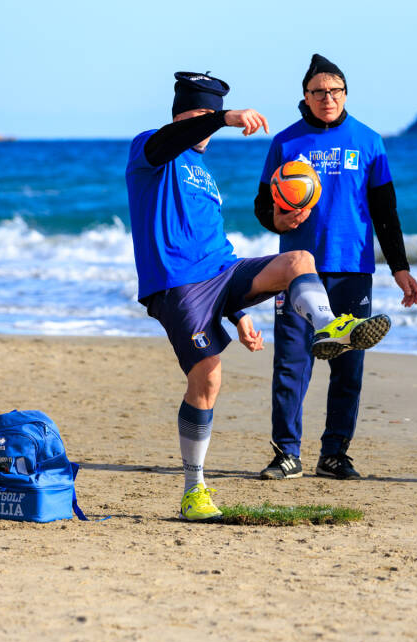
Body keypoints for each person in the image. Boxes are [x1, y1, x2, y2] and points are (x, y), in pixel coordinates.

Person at [125, 71, 392, 520]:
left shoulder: (203, 173)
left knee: (298, 260)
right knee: (207, 379)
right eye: (201, 117)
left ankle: (330, 327)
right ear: (183, 117)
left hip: (221, 275)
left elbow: (216, 248)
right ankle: (194, 489)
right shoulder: (151, 149)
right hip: (177, 286)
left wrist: (239, 312)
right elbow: (176, 136)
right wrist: (223, 118)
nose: (207, 127)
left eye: (212, 117)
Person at [253, 54, 417, 481]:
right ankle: (286, 454)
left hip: (352, 268)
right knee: (291, 362)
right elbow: (261, 205)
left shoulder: (368, 141)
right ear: (305, 98)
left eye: (335, 91)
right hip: (295, 268)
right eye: (318, 92)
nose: (327, 98)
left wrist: (399, 268)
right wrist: (279, 220)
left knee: (348, 364)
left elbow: (385, 211)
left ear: (345, 94)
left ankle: (334, 454)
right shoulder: (286, 143)